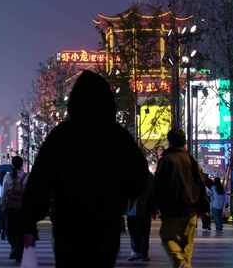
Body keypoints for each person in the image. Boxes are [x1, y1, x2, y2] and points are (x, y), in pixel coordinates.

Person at [21, 71, 150, 267]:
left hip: (68, 225)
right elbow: (140, 178)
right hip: (106, 224)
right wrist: (120, 197)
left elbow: (40, 181)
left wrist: (30, 219)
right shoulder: (117, 137)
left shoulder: (61, 136)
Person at [154, 129, 209, 268]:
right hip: (191, 211)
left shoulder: (166, 160)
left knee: (167, 237)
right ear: (184, 141)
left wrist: (154, 205)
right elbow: (200, 183)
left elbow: (158, 185)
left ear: (170, 141)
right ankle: (184, 264)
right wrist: (203, 207)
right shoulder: (190, 158)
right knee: (187, 247)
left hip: (173, 210)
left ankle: (182, 264)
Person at [1, 156, 27, 263]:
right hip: (23, 207)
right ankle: (18, 250)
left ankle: (14, 247)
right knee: (21, 230)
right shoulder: (26, 176)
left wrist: (2, 204)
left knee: (9, 230)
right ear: (22, 164)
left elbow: (4, 192)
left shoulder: (7, 176)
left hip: (10, 206)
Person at [126, 172, 155, 262]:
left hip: (142, 207)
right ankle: (138, 252)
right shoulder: (149, 176)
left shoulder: (149, 176)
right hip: (134, 207)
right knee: (136, 230)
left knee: (141, 231)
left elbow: (153, 193)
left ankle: (140, 252)